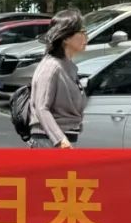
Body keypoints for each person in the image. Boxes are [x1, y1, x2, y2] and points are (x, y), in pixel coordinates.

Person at [28, 8, 88, 148]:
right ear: (66, 37)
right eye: (82, 32)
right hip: (49, 142)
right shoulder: (51, 67)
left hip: (62, 140)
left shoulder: (68, 66)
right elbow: (42, 108)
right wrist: (60, 140)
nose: (86, 37)